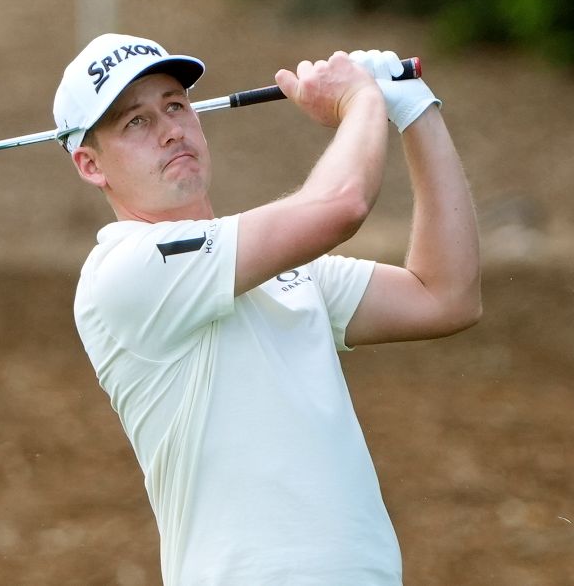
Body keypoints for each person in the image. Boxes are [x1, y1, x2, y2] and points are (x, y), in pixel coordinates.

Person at [52, 33, 480, 585]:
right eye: (135, 122)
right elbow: (340, 205)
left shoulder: (279, 273)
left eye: (175, 105)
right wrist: (362, 101)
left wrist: (415, 111)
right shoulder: (124, 271)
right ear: (90, 164)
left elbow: (444, 295)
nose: (170, 130)